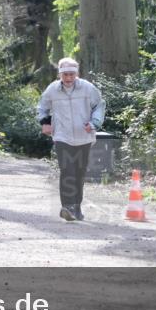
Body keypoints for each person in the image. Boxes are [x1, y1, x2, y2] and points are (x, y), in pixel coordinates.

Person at [37, 57, 104, 222]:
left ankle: (76, 207)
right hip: (62, 136)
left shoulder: (88, 89)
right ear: (60, 74)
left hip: (84, 137)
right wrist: (45, 122)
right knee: (67, 170)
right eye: (65, 74)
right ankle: (67, 207)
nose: (68, 78)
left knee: (79, 173)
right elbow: (42, 107)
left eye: (72, 75)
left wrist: (94, 123)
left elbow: (99, 106)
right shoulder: (52, 90)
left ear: (77, 74)